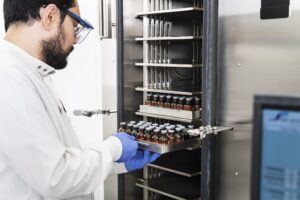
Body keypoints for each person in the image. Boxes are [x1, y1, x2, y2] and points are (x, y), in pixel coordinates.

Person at [0, 0, 160, 200]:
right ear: (50, 16)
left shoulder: (31, 74)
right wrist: (113, 148)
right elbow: (55, 177)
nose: (75, 40)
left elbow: (58, 155)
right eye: (75, 26)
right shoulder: (8, 76)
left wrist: (116, 162)